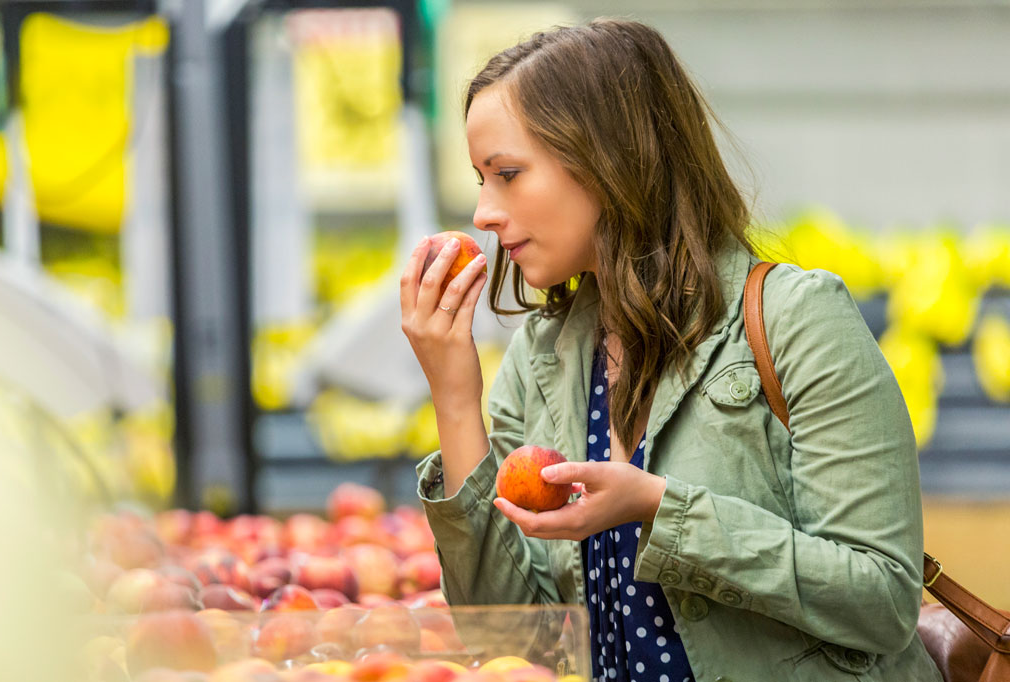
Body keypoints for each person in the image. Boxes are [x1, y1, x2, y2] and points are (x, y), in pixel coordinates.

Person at [400, 18, 941, 682]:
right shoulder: (542, 361)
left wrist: (661, 509)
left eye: (507, 174)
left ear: (607, 159)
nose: (483, 211)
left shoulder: (797, 321)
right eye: (482, 178)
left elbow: (883, 599)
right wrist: (455, 401)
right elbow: (513, 640)